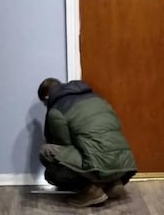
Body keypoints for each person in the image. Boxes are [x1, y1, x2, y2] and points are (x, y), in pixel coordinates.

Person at [38, 77, 137, 207]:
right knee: (96, 149)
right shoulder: (96, 98)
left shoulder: (57, 110)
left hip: (99, 165)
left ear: (47, 97)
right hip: (125, 164)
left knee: (47, 152)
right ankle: (113, 183)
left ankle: (91, 190)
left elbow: (64, 144)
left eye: (44, 103)